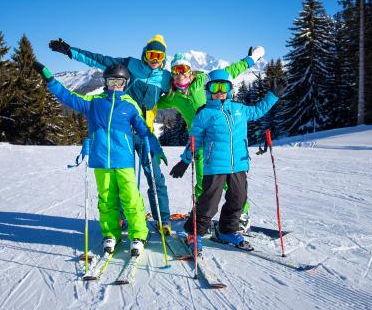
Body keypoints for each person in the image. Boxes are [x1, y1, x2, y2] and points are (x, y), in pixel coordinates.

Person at [33, 61, 161, 256]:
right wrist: (50, 80)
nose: (115, 85)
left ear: (125, 83)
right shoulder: (95, 103)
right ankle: (111, 233)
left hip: (123, 159)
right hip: (101, 159)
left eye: (119, 82)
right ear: (105, 82)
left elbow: (143, 128)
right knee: (106, 199)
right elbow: (68, 97)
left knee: (131, 198)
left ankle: (138, 234)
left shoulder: (129, 104)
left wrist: (154, 146)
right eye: (111, 81)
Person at [49, 35, 172, 234]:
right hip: (119, 133)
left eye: (159, 56)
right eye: (151, 54)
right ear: (144, 54)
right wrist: (70, 51)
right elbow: (99, 59)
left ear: (164, 58)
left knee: (155, 177)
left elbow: (184, 88)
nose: (154, 59)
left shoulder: (166, 78)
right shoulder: (130, 65)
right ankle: (121, 218)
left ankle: (162, 219)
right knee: (121, 179)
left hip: (144, 132)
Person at [169, 69, 287, 252]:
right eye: (215, 87)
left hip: (239, 164)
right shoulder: (204, 114)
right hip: (215, 165)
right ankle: (194, 232)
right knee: (209, 203)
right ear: (208, 90)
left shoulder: (239, 109)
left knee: (238, 199)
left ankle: (227, 230)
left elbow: (258, 110)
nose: (219, 91)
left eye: (224, 86)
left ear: (230, 88)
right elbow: (194, 140)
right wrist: (185, 161)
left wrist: (273, 96)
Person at [159, 46, 265, 232]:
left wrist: (251, 58)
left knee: (230, 183)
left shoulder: (204, 81)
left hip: (219, 141)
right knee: (203, 182)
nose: (180, 74)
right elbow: (152, 103)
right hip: (199, 143)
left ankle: (241, 214)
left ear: (190, 70)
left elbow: (231, 71)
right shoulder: (172, 96)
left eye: (183, 69)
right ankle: (203, 217)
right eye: (176, 70)